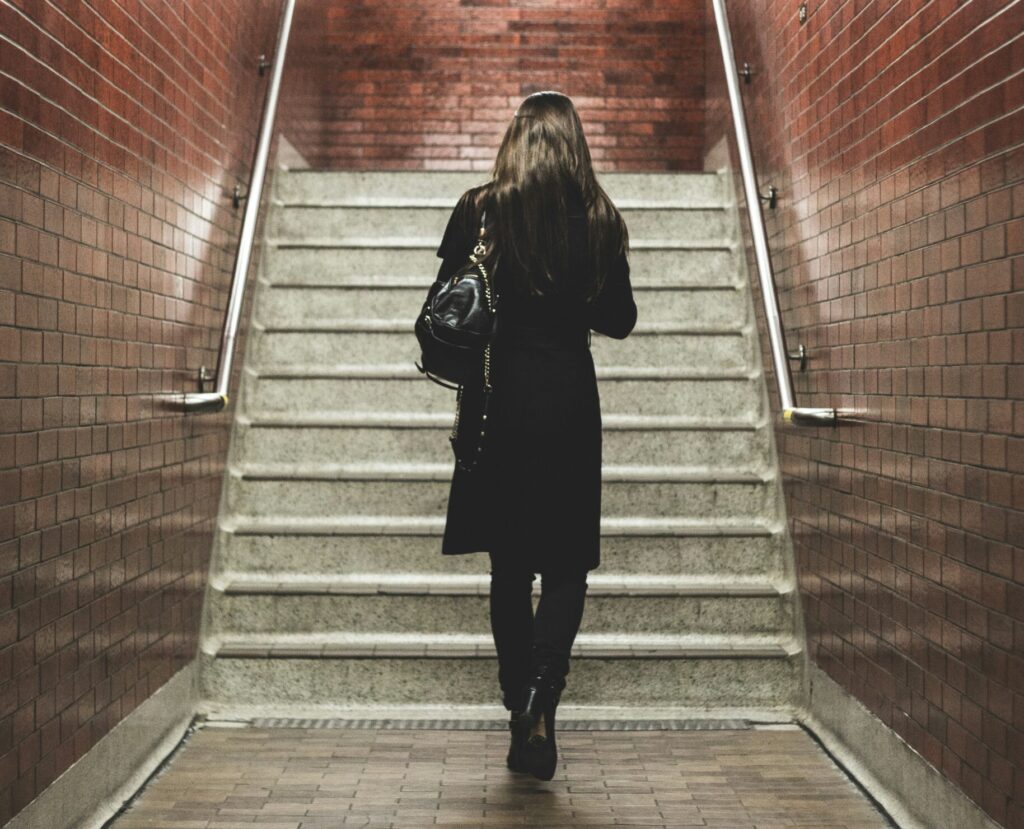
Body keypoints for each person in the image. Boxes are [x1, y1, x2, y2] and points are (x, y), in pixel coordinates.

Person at [431, 91, 638, 781]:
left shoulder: (480, 208)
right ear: (576, 144)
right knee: (567, 563)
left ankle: (518, 702)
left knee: (510, 565)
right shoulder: (601, 218)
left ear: (515, 140)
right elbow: (620, 320)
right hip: (571, 403)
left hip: (499, 402)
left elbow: (446, 302)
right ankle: (545, 697)